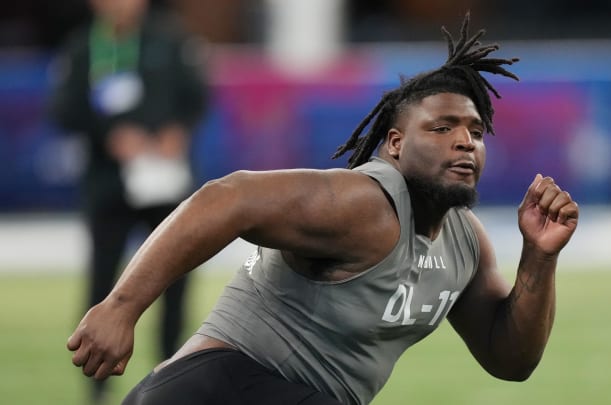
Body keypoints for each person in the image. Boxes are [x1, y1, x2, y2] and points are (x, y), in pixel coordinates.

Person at [66, 14, 579, 405]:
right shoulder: (366, 204)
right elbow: (230, 196)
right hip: (220, 387)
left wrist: (539, 256)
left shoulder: (464, 241)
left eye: (474, 131)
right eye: (441, 128)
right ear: (395, 144)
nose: (465, 142)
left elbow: (510, 360)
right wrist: (121, 307)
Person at [49, 0, 208, 403]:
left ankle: (173, 374)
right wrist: (110, 135)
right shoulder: (82, 46)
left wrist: (178, 130)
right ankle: (97, 384)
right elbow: (64, 109)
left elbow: (197, 96)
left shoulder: (171, 39)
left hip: (165, 182)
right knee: (103, 280)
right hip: (108, 183)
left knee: (175, 279)